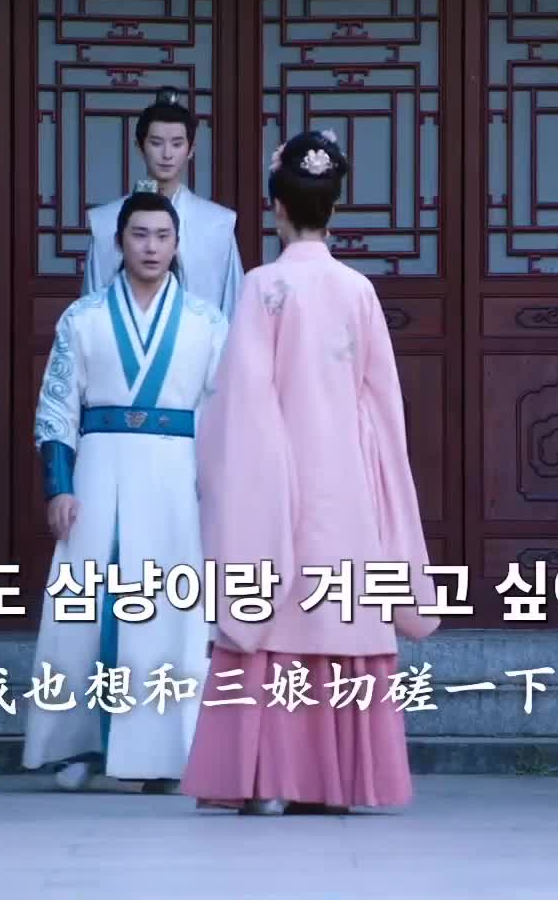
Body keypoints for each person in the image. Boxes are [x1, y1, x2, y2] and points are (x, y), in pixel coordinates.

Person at [179, 130, 440, 816]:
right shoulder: (357, 290)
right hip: (348, 482)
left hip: (278, 477)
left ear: (277, 207)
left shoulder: (263, 287)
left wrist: (240, 481)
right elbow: (383, 403)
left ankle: (269, 778)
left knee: (274, 613)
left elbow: (241, 404)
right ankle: (338, 781)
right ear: (335, 207)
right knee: (341, 609)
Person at [23, 190, 229, 795]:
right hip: (99, 469)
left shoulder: (206, 323)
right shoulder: (83, 318)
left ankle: (168, 751)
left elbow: (223, 414)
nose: (151, 248)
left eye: (163, 236)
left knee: (170, 607)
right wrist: (59, 487)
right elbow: (56, 408)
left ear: (177, 244)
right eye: (140, 235)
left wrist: (217, 491)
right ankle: (79, 746)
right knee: (85, 605)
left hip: (175, 475)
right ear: (119, 242)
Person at [83, 88, 244, 315]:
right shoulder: (106, 222)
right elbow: (90, 309)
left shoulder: (218, 224)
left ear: (191, 150)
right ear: (140, 147)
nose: (167, 154)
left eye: (177, 144)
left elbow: (234, 308)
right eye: (157, 143)